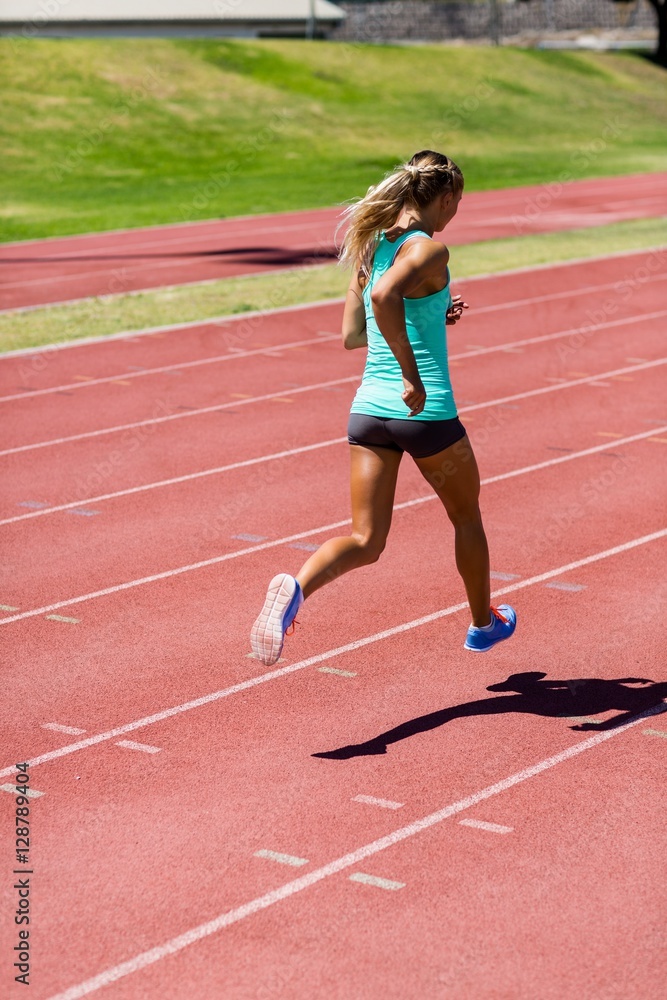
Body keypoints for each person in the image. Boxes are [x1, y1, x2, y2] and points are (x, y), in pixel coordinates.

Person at [250, 150, 516, 667]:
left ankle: (296, 590)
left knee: (366, 539)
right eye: (456, 204)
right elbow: (385, 302)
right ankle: (484, 624)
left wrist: (437, 312)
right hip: (425, 410)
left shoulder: (372, 248)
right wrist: (413, 375)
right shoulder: (430, 251)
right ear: (441, 198)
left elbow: (353, 334)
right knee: (466, 516)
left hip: (369, 411)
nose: (454, 214)